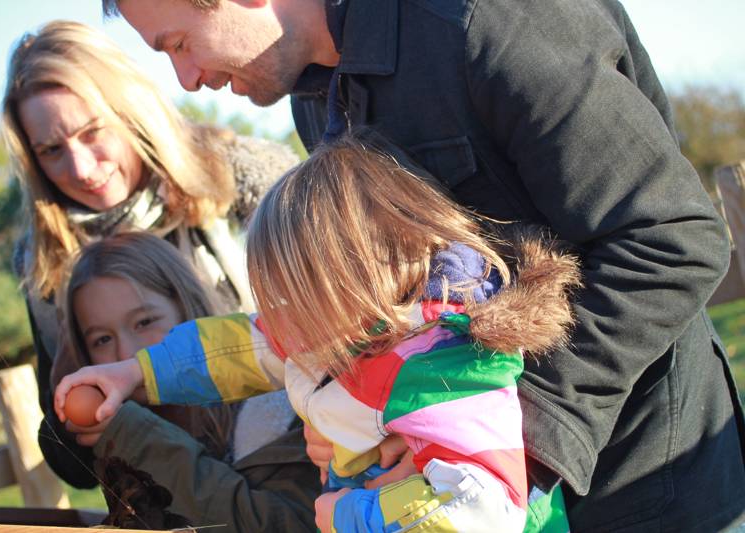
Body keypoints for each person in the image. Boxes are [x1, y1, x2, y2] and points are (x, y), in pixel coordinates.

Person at [100, 1, 745, 530]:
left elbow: (670, 241)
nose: (186, 80)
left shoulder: (489, 20)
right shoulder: (315, 102)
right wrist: (355, 416)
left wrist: (487, 433)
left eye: (180, 43)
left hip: (645, 481)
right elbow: (385, 304)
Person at [55, 134, 581, 532]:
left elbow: (482, 507)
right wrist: (133, 373)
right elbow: (240, 348)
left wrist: (349, 515)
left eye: (294, 293)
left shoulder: (439, 368)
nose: (284, 315)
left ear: (348, 276)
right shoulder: (341, 326)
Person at [0, 19, 306, 497]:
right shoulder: (44, 260)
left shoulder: (246, 184)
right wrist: (82, 428)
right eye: (51, 150)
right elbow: (71, 457)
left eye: (91, 132)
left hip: (296, 469)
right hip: (162, 497)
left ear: (130, 111)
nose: (80, 168)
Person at [55, 231, 316, 529]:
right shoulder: (115, 434)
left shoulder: (278, 413)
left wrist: (139, 438)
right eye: (102, 339)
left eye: (144, 322)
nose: (126, 352)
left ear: (188, 309)